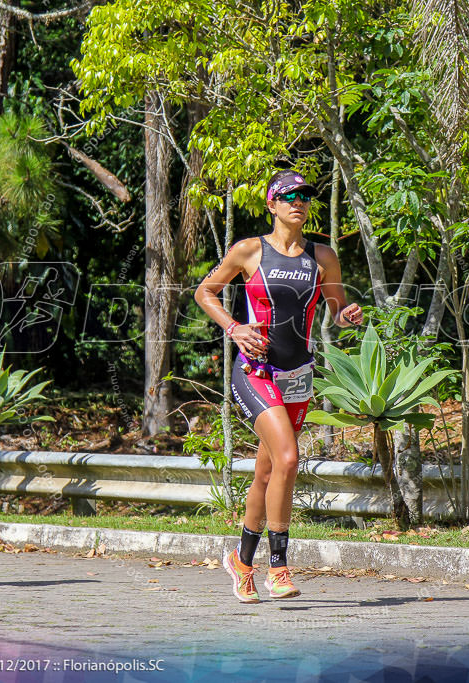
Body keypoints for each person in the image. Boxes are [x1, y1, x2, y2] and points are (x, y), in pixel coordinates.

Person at [195, 170, 363, 602]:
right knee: (288, 458)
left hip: (298, 376)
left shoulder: (322, 256)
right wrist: (233, 327)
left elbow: (336, 307)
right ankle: (280, 567)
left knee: (267, 471)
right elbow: (204, 292)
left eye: (306, 195)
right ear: (271, 204)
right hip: (255, 372)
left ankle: (241, 563)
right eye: (288, 196)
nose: (299, 202)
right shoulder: (249, 251)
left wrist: (347, 316)